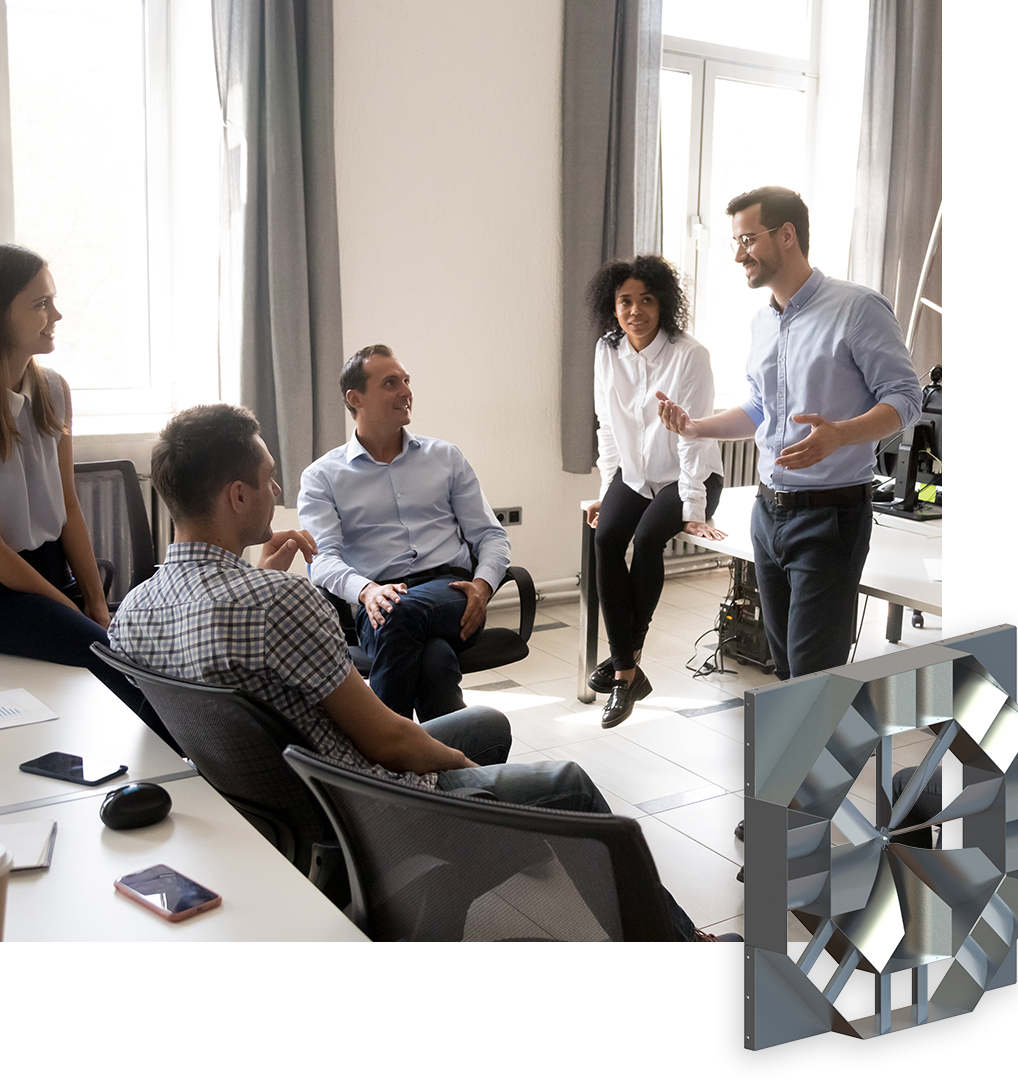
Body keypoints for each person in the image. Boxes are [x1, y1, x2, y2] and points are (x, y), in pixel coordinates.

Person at [109, 402, 735, 942]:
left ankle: (446, 893)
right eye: (268, 480)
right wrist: (474, 781)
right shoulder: (280, 602)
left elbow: (225, 659)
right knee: (565, 780)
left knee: (485, 720)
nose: (276, 492)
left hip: (280, 803)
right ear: (236, 495)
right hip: (369, 805)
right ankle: (678, 939)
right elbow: (387, 739)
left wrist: (266, 577)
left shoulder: (137, 610)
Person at [658, 187, 923, 682]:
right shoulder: (762, 322)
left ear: (786, 236)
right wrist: (696, 428)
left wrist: (842, 434)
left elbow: (906, 400)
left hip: (830, 517)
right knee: (786, 672)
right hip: (768, 514)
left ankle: (814, 759)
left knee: (811, 677)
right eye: (734, 242)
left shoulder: (858, 308)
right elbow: (760, 408)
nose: (739, 255)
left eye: (748, 240)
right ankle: (806, 756)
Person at [0, 243, 165, 738]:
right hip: (7, 585)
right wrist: (64, 606)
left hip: (47, 569)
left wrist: (94, 598)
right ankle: (203, 775)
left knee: (122, 659)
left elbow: (68, 502)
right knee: (125, 675)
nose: (57, 314)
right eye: (40, 304)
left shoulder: (53, 390)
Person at [297, 344, 510, 723]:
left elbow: (490, 535)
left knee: (399, 617)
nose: (405, 391)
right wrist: (366, 590)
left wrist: (484, 584)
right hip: (377, 600)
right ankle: (451, 768)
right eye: (391, 383)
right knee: (434, 660)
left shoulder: (446, 457)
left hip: (452, 594)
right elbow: (322, 559)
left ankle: (378, 752)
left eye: (406, 381)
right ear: (355, 398)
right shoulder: (322, 476)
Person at [584, 255, 725, 727]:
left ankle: (625, 666)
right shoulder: (608, 351)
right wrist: (608, 489)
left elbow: (693, 435)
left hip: (693, 472)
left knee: (646, 540)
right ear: (613, 306)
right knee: (604, 539)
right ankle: (627, 670)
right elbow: (607, 425)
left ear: (663, 303)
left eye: (646, 300)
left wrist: (693, 505)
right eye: (626, 301)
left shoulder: (689, 354)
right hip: (636, 474)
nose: (636, 310)